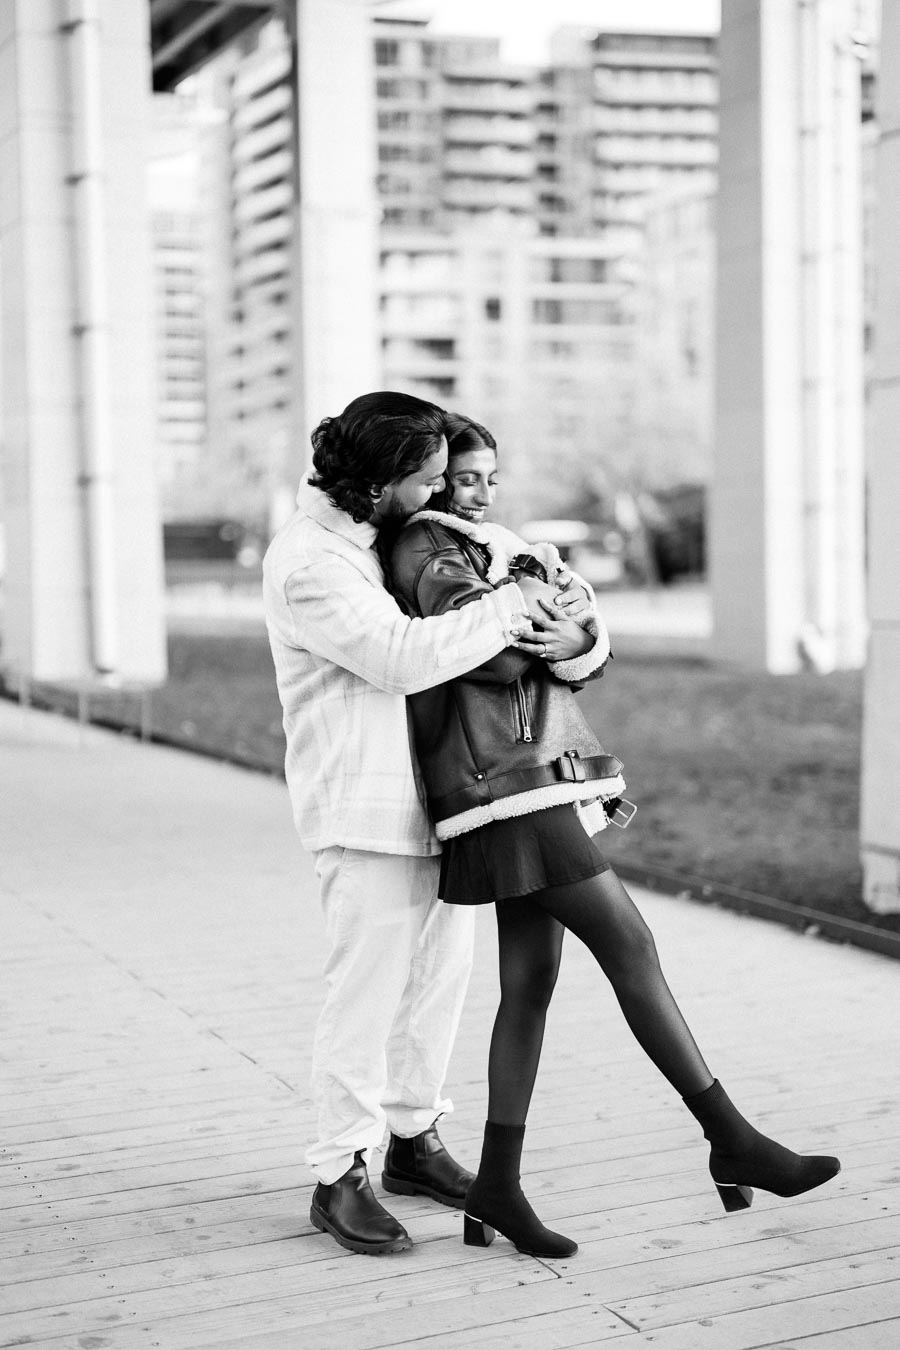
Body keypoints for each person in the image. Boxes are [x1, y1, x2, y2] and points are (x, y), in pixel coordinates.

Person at [388, 413, 841, 1260]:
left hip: (529, 780)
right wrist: (549, 619)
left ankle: (497, 1187)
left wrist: (575, 632)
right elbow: (483, 654)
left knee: (530, 983)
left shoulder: (498, 547)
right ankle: (730, 1135)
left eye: (490, 476)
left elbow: (572, 635)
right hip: (502, 786)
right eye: (463, 478)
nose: (480, 492)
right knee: (629, 943)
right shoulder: (426, 545)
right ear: (432, 478)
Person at [262, 391, 592, 1257]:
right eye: (433, 479)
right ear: (382, 484)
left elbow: (538, 568)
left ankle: (413, 1141)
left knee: (438, 985)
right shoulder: (312, 564)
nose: (446, 493)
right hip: (363, 808)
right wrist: (511, 605)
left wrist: (554, 592)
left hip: (446, 802)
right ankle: (339, 1173)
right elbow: (403, 659)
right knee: (365, 997)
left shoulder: (387, 536)